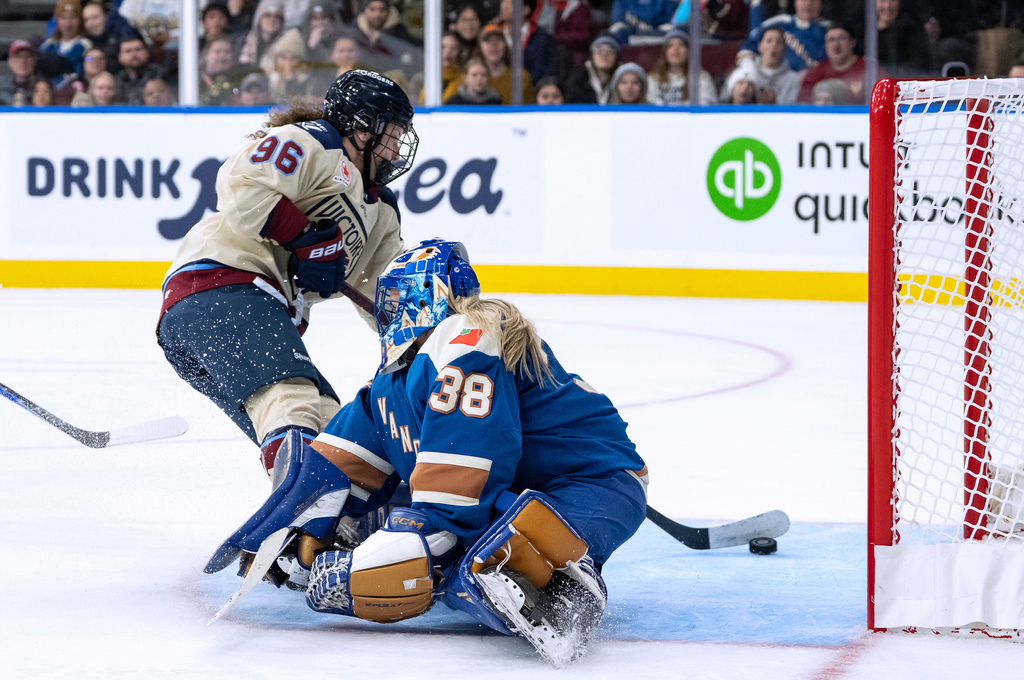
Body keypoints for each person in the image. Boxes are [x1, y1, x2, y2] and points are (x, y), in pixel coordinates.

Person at [203, 239, 648, 666]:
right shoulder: (390, 383)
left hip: (593, 482)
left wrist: (397, 553)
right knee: (451, 557)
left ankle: (568, 586)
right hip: (513, 486)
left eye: (394, 298)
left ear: (424, 295)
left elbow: (458, 483)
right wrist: (302, 529)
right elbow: (332, 474)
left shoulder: (468, 336)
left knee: (486, 562)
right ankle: (516, 564)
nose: (387, 310)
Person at [157, 69, 418, 476]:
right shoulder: (312, 142)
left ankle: (338, 516)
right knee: (291, 397)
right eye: (393, 134)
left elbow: (384, 290)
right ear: (364, 128)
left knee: (333, 426)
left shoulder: (380, 210)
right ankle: (301, 504)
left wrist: (424, 340)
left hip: (253, 308)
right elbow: (242, 184)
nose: (397, 148)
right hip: (219, 287)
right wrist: (303, 236)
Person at [737, 0, 831, 72]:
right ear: (795, 2)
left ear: (821, 3)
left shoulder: (829, 30)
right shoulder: (779, 23)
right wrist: (749, 71)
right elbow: (749, 47)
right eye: (803, 0)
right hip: (777, 82)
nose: (808, 4)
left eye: (814, 0)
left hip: (814, 85)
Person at [721, 25, 801, 105]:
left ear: (784, 48)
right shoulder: (744, 72)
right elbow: (724, 102)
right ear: (760, 46)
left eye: (779, 42)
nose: (773, 45)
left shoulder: (793, 79)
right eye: (769, 41)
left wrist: (775, 102)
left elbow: (794, 109)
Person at [797, 23, 867, 104]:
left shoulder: (867, 69)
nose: (836, 44)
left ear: (852, 42)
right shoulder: (816, 72)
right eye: (831, 40)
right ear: (826, 45)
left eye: (842, 38)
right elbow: (803, 103)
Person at [646, 28, 717, 105]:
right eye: (670, 45)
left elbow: (705, 108)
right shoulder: (652, 79)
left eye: (681, 44)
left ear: (688, 51)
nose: (676, 49)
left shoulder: (701, 79)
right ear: (664, 52)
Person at [40, 0, 94, 90]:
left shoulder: (85, 46)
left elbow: (90, 60)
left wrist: (88, 59)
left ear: (80, 20)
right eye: (63, 18)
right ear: (57, 20)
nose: (68, 23)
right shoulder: (48, 46)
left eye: (73, 17)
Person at [476, 22, 535, 104]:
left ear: (505, 44)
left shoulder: (522, 78)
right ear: (479, 46)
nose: (494, 44)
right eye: (487, 40)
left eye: (498, 39)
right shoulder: (469, 79)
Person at [563, 34, 620, 104]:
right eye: (599, 51)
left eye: (609, 51)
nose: (604, 55)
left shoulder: (624, 79)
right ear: (592, 56)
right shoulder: (578, 80)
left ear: (616, 56)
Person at [266, 29, 312, 104]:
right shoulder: (266, 77)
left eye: (293, 58)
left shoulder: (308, 81)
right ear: (276, 59)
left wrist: (290, 81)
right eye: (283, 57)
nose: (288, 63)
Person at [114, 36, 163, 104]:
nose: (134, 54)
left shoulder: (160, 74)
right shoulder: (116, 81)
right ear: (120, 57)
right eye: (128, 51)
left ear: (146, 52)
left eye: (138, 49)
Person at [239, 0, 286, 68]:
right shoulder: (243, 41)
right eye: (267, 15)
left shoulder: (285, 44)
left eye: (277, 17)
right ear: (259, 19)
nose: (272, 19)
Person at [608, 0, 678, 45]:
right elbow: (616, 27)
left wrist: (652, 31)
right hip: (629, 45)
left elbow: (671, 27)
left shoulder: (667, 2)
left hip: (659, 43)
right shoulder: (621, 2)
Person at [198, 36, 241, 105]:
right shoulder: (194, 81)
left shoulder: (239, 81)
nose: (222, 56)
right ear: (207, 55)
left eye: (227, 52)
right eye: (217, 51)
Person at [1, 40, 42, 107]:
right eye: (18, 57)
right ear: (10, 62)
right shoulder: (1, 85)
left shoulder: (44, 87)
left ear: (34, 60)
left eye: (27, 56)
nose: (23, 61)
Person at [449, 1, 482, 66]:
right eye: (464, 20)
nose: (469, 25)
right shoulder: (449, 47)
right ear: (456, 24)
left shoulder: (486, 48)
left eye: (473, 19)